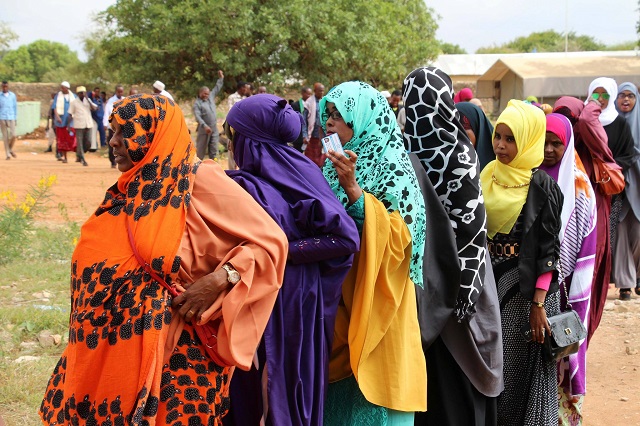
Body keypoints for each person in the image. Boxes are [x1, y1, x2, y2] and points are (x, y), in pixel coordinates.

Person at [39, 94, 289, 425]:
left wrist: (220, 279)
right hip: (115, 347)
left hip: (182, 350)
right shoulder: (127, 190)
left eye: (123, 133)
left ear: (152, 135)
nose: (113, 142)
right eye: (112, 132)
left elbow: (270, 242)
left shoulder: (197, 179)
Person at [222, 94, 360, 425]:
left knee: (278, 393)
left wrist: (279, 250)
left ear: (250, 141)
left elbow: (345, 237)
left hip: (291, 301)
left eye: (233, 136)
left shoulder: (299, 174)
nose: (230, 145)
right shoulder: (272, 174)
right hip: (273, 295)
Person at [320, 81, 427, 424]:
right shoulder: (329, 167)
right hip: (342, 294)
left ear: (363, 117)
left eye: (339, 115)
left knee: (375, 393)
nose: (330, 123)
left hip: (380, 293)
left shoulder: (393, 164)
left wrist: (354, 190)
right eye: (328, 115)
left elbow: (402, 237)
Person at [403, 66, 503, 425]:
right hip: (434, 283)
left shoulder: (455, 155)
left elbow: (472, 232)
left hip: (455, 283)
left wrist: (463, 295)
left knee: (456, 378)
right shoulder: (407, 151)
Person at [480, 99, 563, 425]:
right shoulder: (487, 174)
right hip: (488, 282)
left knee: (515, 370)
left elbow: (549, 251)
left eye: (511, 139)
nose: (500, 145)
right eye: (498, 136)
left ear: (529, 140)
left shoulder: (543, 187)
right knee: (490, 364)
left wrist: (538, 304)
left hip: (525, 291)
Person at [539, 113, 596, 426]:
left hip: (567, 289)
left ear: (567, 143)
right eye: (544, 142)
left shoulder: (579, 185)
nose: (548, 149)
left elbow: (586, 247)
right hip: (537, 289)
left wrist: (571, 292)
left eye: (555, 143)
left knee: (566, 346)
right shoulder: (530, 175)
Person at [553, 96, 614, 343]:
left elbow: (589, 119)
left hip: (589, 217)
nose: (566, 122)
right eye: (560, 115)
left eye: (571, 118)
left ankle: (578, 337)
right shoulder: (552, 152)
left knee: (586, 277)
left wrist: (593, 103)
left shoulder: (591, 144)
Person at [585, 78, 635, 264]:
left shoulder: (619, 122)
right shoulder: (585, 121)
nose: (600, 98)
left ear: (611, 96)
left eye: (604, 94)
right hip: (585, 185)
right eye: (595, 93)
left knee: (606, 233)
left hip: (609, 189)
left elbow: (628, 155)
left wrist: (607, 167)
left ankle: (604, 272)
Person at [614, 82, 640, 299]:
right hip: (618, 184)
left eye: (630, 96)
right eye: (622, 95)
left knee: (638, 232)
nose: (626, 100)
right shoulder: (611, 121)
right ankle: (624, 283)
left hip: (639, 182)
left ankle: (638, 277)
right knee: (621, 232)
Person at [193, 70, 225, 160]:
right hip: (204, 129)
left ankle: (214, 166)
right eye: (204, 93)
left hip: (214, 128)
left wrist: (221, 78)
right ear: (200, 93)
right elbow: (198, 116)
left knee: (214, 149)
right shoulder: (197, 104)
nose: (206, 95)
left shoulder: (210, 97)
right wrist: (204, 126)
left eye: (207, 93)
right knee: (201, 150)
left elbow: (217, 88)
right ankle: (197, 168)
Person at [457, 101, 495, 170]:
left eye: (464, 135)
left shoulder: (501, 166)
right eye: (451, 135)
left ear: (478, 129)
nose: (457, 141)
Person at [67, 86, 97, 166]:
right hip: (79, 125)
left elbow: (94, 108)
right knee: (79, 143)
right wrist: (69, 126)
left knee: (88, 142)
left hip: (88, 124)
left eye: (84, 93)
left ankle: (79, 154)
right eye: (81, 93)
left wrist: (88, 100)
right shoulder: (74, 102)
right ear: (78, 94)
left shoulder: (88, 101)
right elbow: (70, 114)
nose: (82, 94)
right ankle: (83, 159)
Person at [52, 81, 77, 164]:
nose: (61, 89)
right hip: (61, 121)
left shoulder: (73, 96)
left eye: (63, 87)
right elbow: (54, 107)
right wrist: (57, 117)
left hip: (71, 121)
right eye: (61, 87)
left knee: (72, 139)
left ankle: (78, 156)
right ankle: (65, 157)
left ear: (67, 88)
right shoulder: (58, 96)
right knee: (62, 140)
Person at [304, 82, 326, 167]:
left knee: (322, 159)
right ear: (315, 91)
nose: (321, 93)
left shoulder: (324, 102)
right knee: (310, 160)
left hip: (322, 135)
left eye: (323, 91)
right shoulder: (309, 103)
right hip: (312, 135)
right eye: (320, 91)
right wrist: (305, 135)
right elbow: (304, 121)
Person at [104, 85, 125, 168]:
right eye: (118, 91)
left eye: (121, 91)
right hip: (112, 127)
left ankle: (122, 161)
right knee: (112, 145)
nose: (120, 93)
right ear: (116, 91)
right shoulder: (111, 101)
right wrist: (105, 124)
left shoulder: (125, 100)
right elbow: (107, 113)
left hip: (122, 127)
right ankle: (112, 161)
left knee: (122, 145)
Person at [0, 81, 17, 160]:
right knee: (5, 136)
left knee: (13, 135)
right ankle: (8, 154)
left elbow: (15, 107)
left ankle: (10, 149)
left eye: (6, 86)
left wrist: (15, 117)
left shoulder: (12, 95)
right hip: (2, 117)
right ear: (1, 87)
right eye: (3, 86)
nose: (5, 88)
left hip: (11, 116)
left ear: (8, 86)